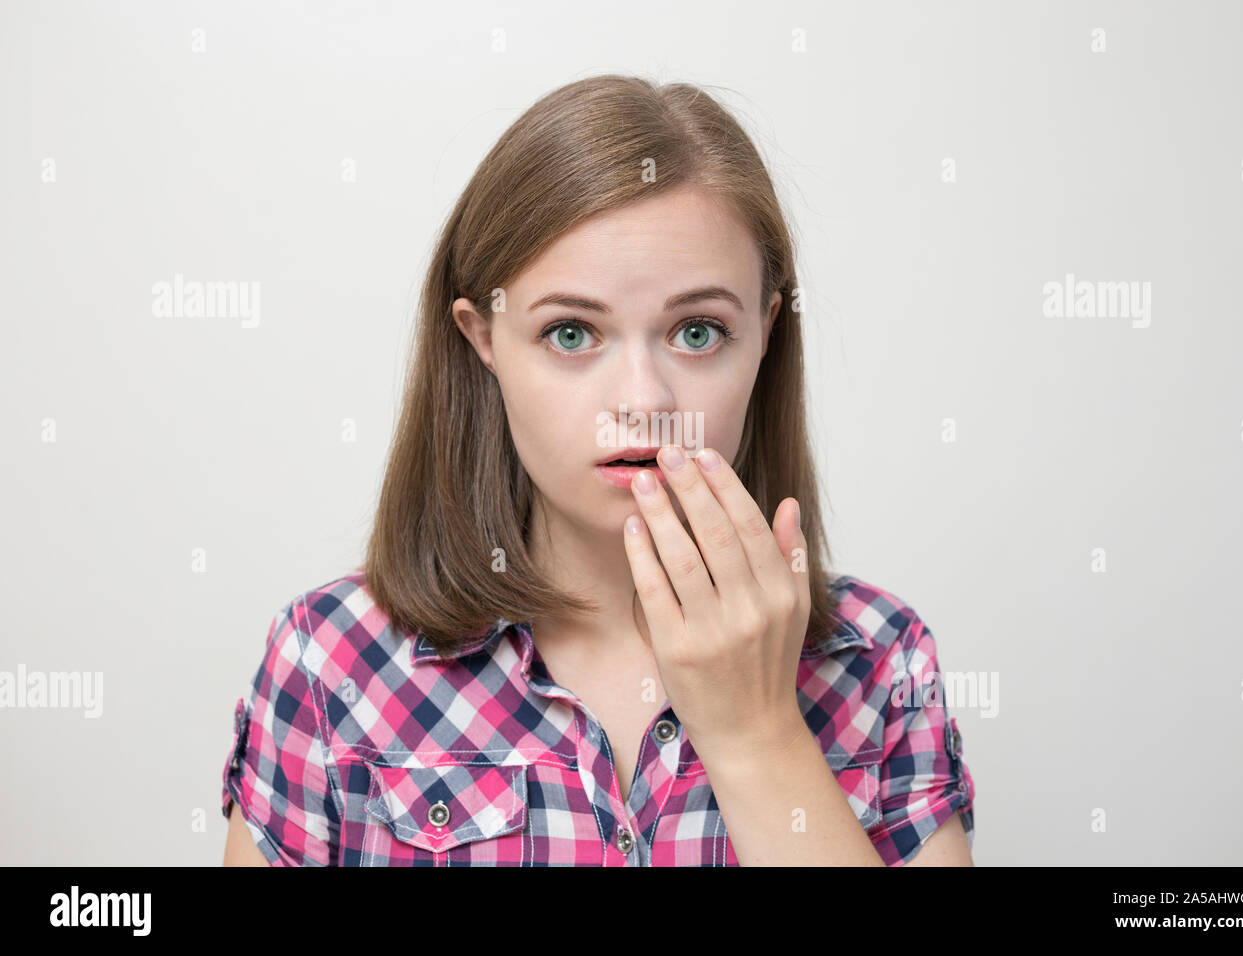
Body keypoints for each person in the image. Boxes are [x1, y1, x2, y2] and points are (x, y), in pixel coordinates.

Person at [220, 73, 974, 866]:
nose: (643, 402)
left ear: (765, 335)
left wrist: (758, 735)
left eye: (698, 332)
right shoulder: (331, 662)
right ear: (484, 339)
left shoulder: (882, 663)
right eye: (572, 335)